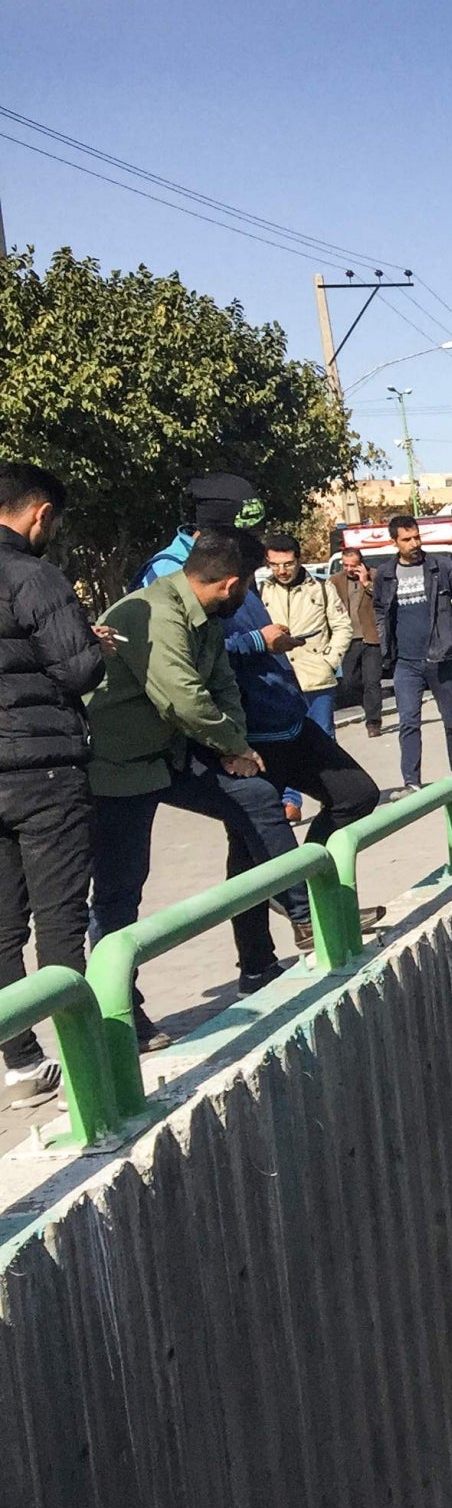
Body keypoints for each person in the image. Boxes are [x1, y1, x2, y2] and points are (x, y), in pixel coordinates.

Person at [89, 527, 295, 1018]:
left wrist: (236, 748)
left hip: (172, 752)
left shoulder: (200, 615)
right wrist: (231, 743)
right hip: (119, 764)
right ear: (231, 585)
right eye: (248, 586)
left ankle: (307, 913)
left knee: (258, 798)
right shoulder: (159, 613)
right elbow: (182, 697)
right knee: (120, 891)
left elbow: (222, 686)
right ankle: (119, 1012)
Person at [0, 464, 108, 1107]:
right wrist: (94, 645)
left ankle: (20, 1061)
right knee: (61, 918)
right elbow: (77, 670)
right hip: (42, 771)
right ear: (39, 513)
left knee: (0, 926)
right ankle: (82, 1057)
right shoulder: (32, 574)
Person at [372, 514, 452, 794]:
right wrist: (385, 645)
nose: (414, 543)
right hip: (406, 662)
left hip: (440, 658)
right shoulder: (385, 574)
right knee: (408, 722)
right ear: (394, 542)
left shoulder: (440, 567)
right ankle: (411, 782)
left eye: (416, 537)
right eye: (407, 539)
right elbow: (380, 611)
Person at [257, 534, 347, 821]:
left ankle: (332, 795)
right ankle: (289, 801)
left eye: (288, 564)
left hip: (316, 677)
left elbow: (342, 626)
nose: (282, 571)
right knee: (284, 740)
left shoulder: (321, 588)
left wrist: (329, 660)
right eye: (275, 565)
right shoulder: (260, 592)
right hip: (279, 679)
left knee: (323, 738)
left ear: (298, 560)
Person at [331, 548, 386, 736]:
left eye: (353, 566)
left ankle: (373, 722)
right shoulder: (335, 581)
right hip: (348, 638)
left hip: (371, 638)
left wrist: (366, 583)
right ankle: (367, 704)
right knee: (349, 682)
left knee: (372, 681)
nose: (349, 569)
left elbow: (384, 600)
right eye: (345, 565)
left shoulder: (375, 577)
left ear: (361, 564)